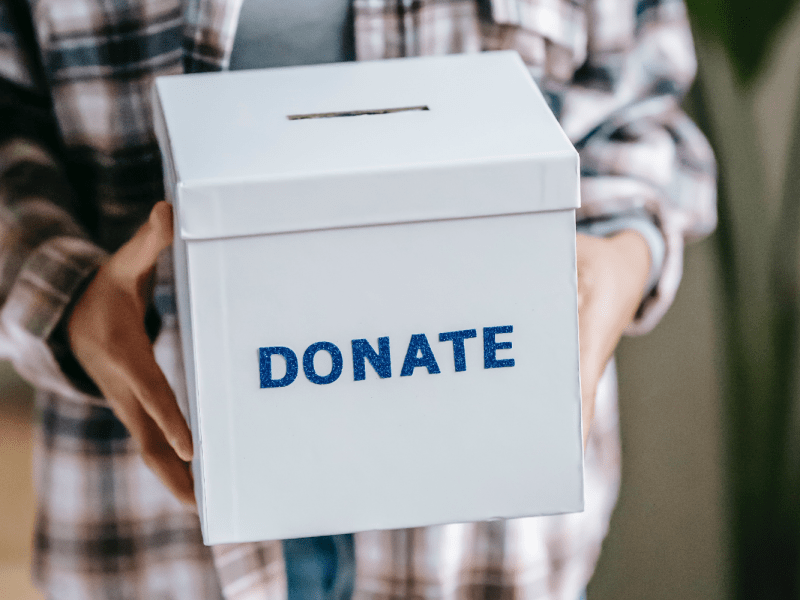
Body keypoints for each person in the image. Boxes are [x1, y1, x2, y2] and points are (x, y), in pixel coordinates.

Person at [0, 0, 716, 599]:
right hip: (151, 521)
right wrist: (68, 295)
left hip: (485, 545)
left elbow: (640, 106)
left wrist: (622, 259)